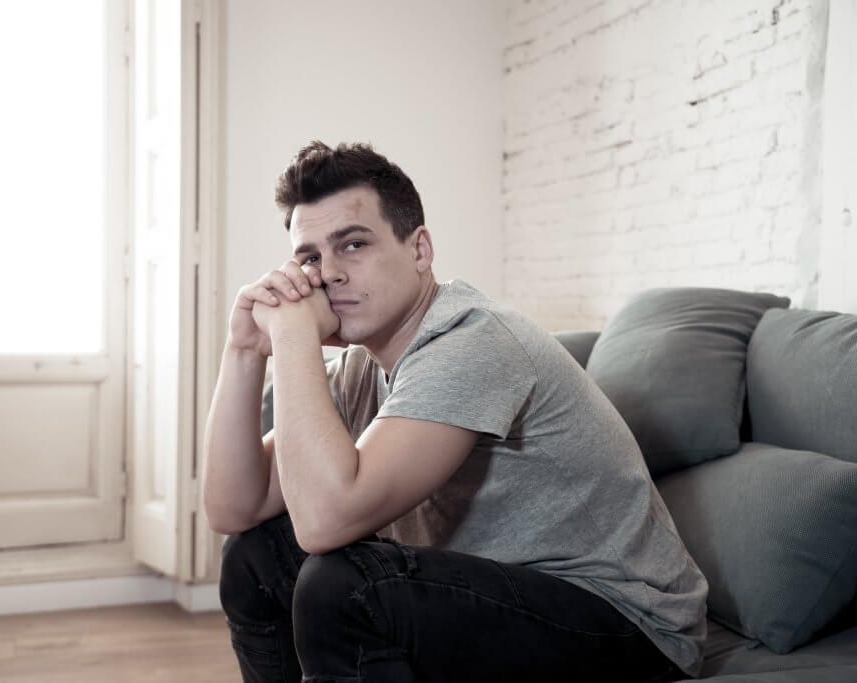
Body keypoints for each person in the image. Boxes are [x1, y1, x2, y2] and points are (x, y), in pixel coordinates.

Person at [202, 141, 708, 682]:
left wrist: (294, 336)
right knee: (253, 558)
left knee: (346, 584)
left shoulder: (471, 342)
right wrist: (244, 351)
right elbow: (234, 509)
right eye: (310, 257)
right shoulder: (360, 368)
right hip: (493, 598)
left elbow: (326, 521)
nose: (327, 274)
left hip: (625, 626)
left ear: (420, 249)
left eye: (352, 245)